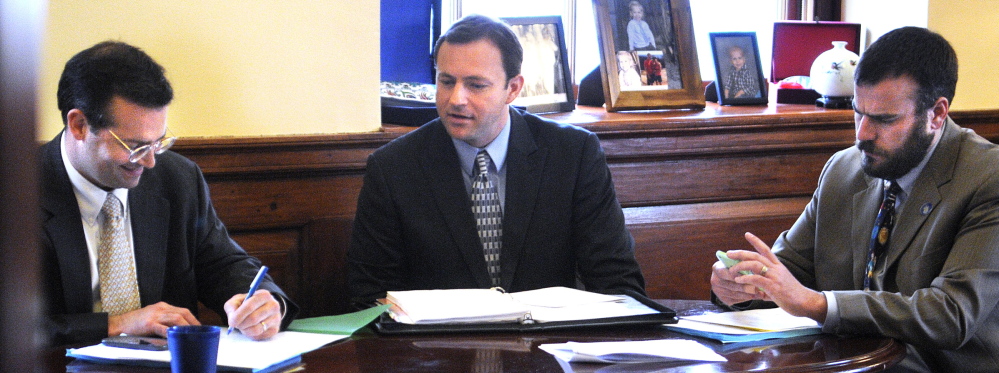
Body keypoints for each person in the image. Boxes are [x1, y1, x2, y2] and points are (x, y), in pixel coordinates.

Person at [710, 27, 999, 372]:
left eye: (884, 119)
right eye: (858, 112)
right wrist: (741, 285)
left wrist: (820, 305)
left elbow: (950, 315)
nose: (862, 134)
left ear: (936, 114)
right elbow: (789, 272)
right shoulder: (843, 170)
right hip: (846, 363)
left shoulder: (987, 177)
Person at [348, 14, 645, 305]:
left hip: (547, 345)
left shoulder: (573, 154)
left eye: (476, 85)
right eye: (446, 81)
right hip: (437, 350)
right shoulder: (393, 168)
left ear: (513, 89)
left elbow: (617, 282)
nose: (456, 99)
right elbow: (369, 296)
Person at [42, 41, 298, 345]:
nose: (150, 162)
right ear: (80, 125)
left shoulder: (178, 179)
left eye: (158, 143)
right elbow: (14, 329)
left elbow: (222, 264)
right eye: (135, 147)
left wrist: (260, 304)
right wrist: (118, 324)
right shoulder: (16, 195)